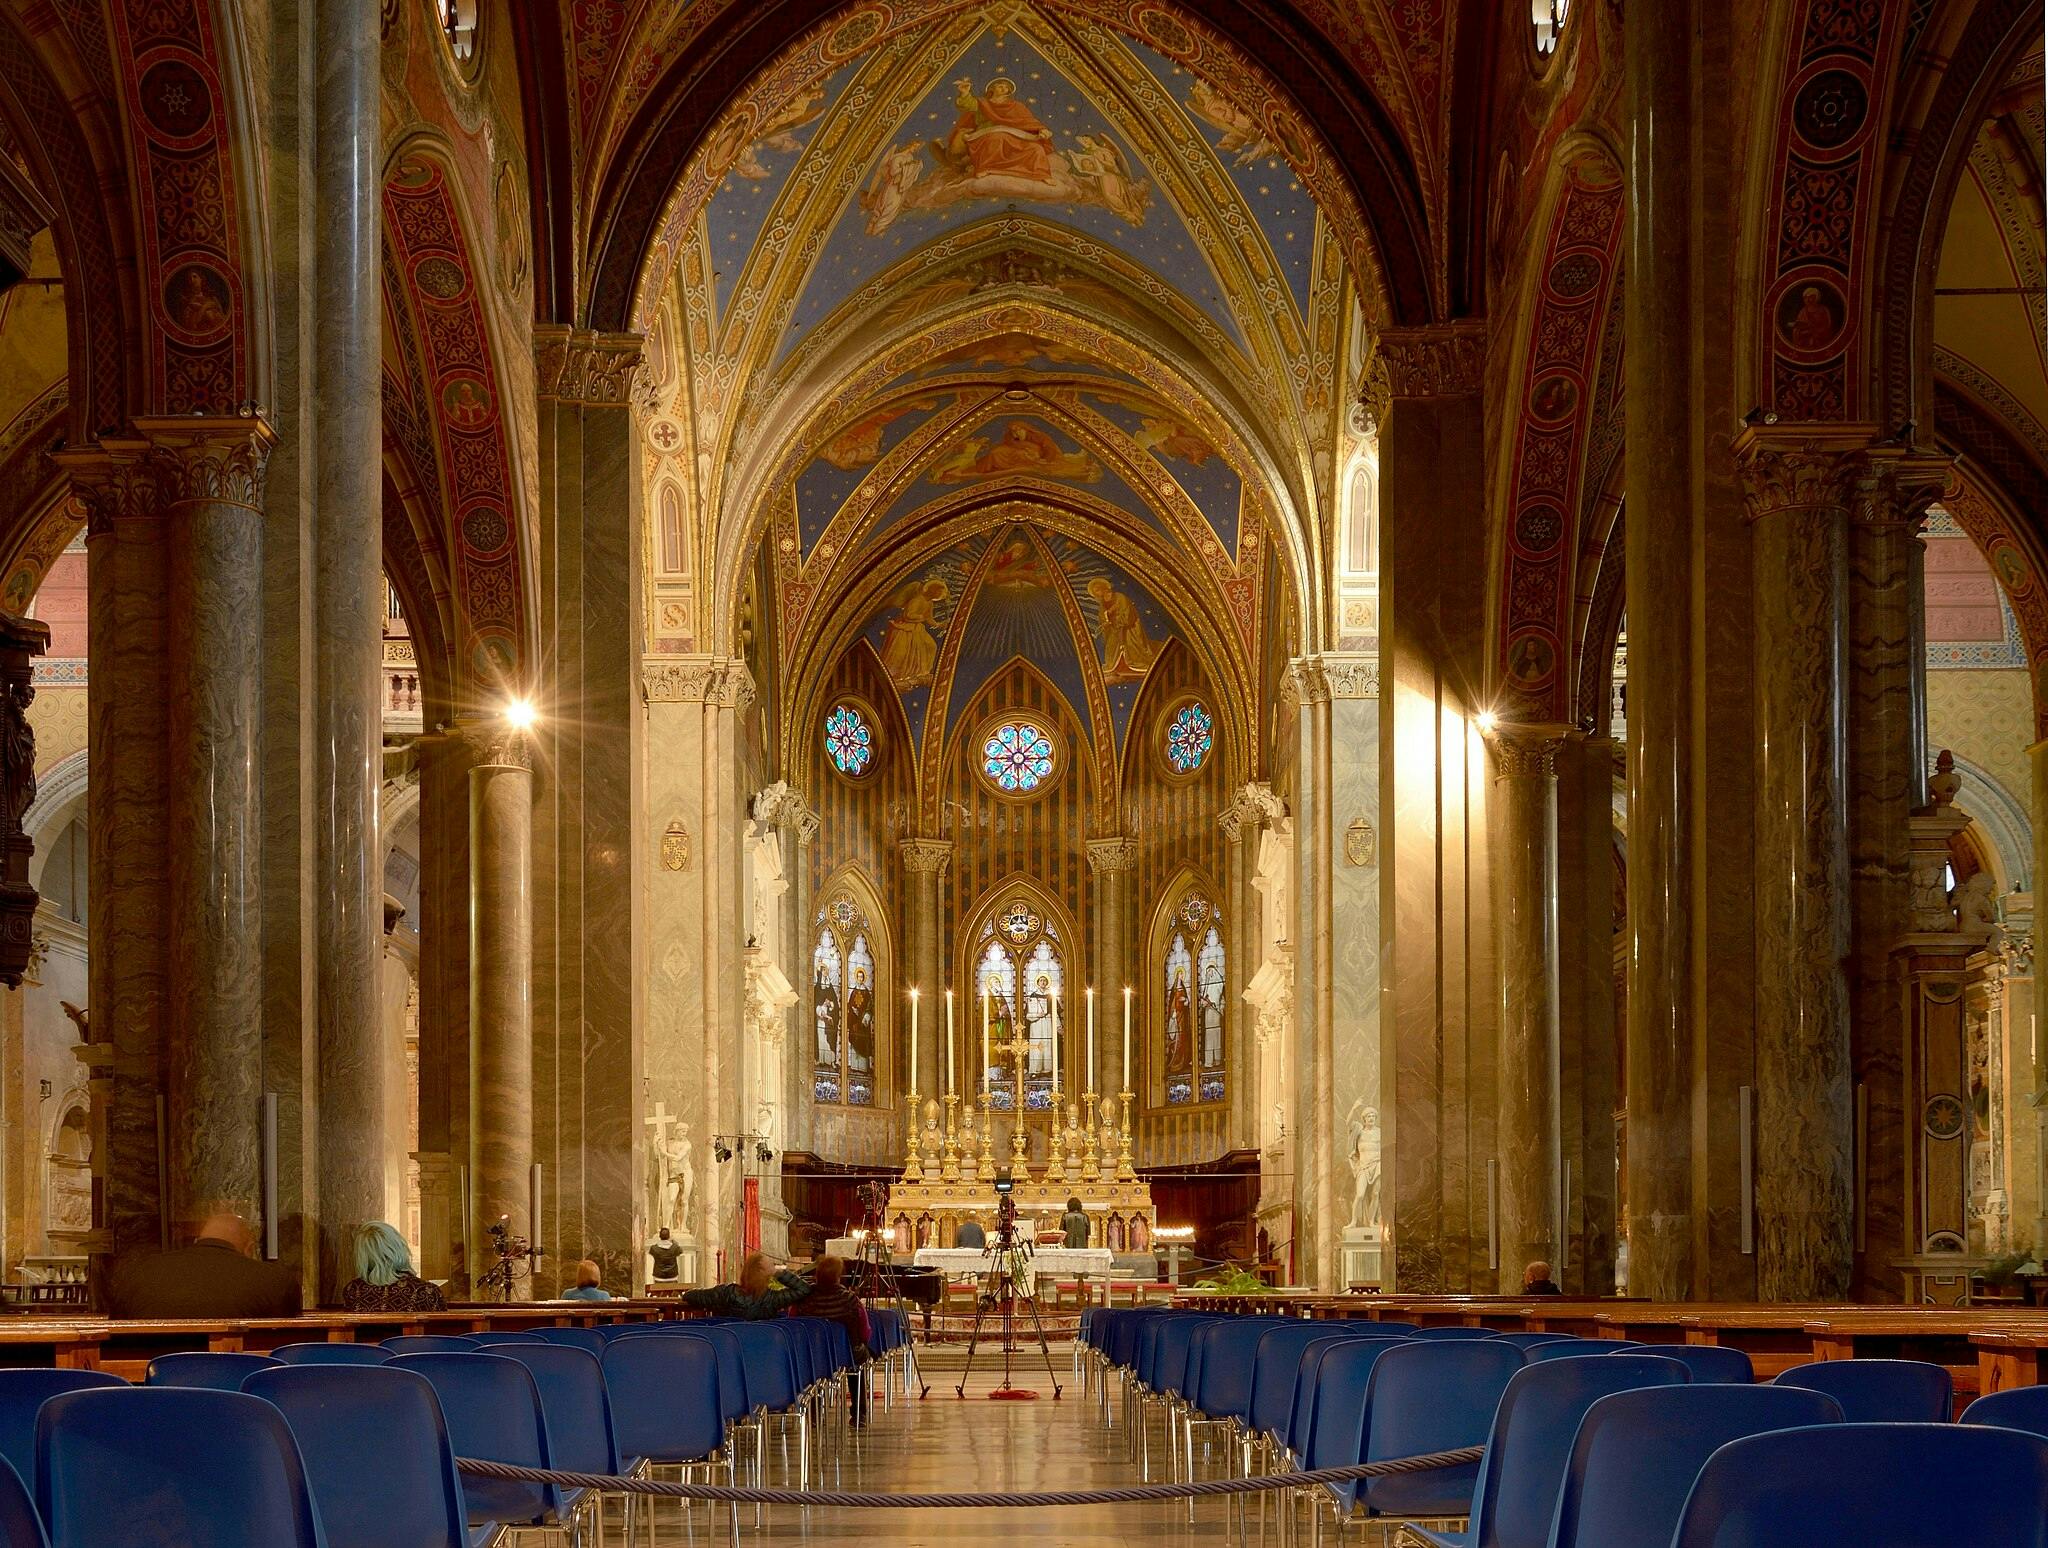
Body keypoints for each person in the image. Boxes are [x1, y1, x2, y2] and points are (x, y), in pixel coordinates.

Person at [105, 1207, 300, 1319]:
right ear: (249, 1248)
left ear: (198, 1241)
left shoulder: (138, 1273)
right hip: (238, 1381)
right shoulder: (276, 1280)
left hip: (150, 1383)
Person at [801, 1256, 874, 1425]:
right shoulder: (849, 1299)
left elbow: (794, 1323)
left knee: (813, 1369)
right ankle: (859, 1412)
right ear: (839, 1276)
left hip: (815, 1355)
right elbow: (865, 1331)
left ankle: (815, 1412)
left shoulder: (806, 1300)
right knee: (859, 1359)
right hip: (845, 1355)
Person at [340, 1222, 446, 1312]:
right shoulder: (427, 1291)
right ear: (400, 1248)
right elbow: (442, 1334)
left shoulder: (353, 1290)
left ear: (362, 1256)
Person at [682, 1251, 813, 1319]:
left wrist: (686, 1294)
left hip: (731, 1348)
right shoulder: (773, 1299)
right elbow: (804, 1289)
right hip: (761, 1347)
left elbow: (692, 1296)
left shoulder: (728, 1293)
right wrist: (777, 1273)